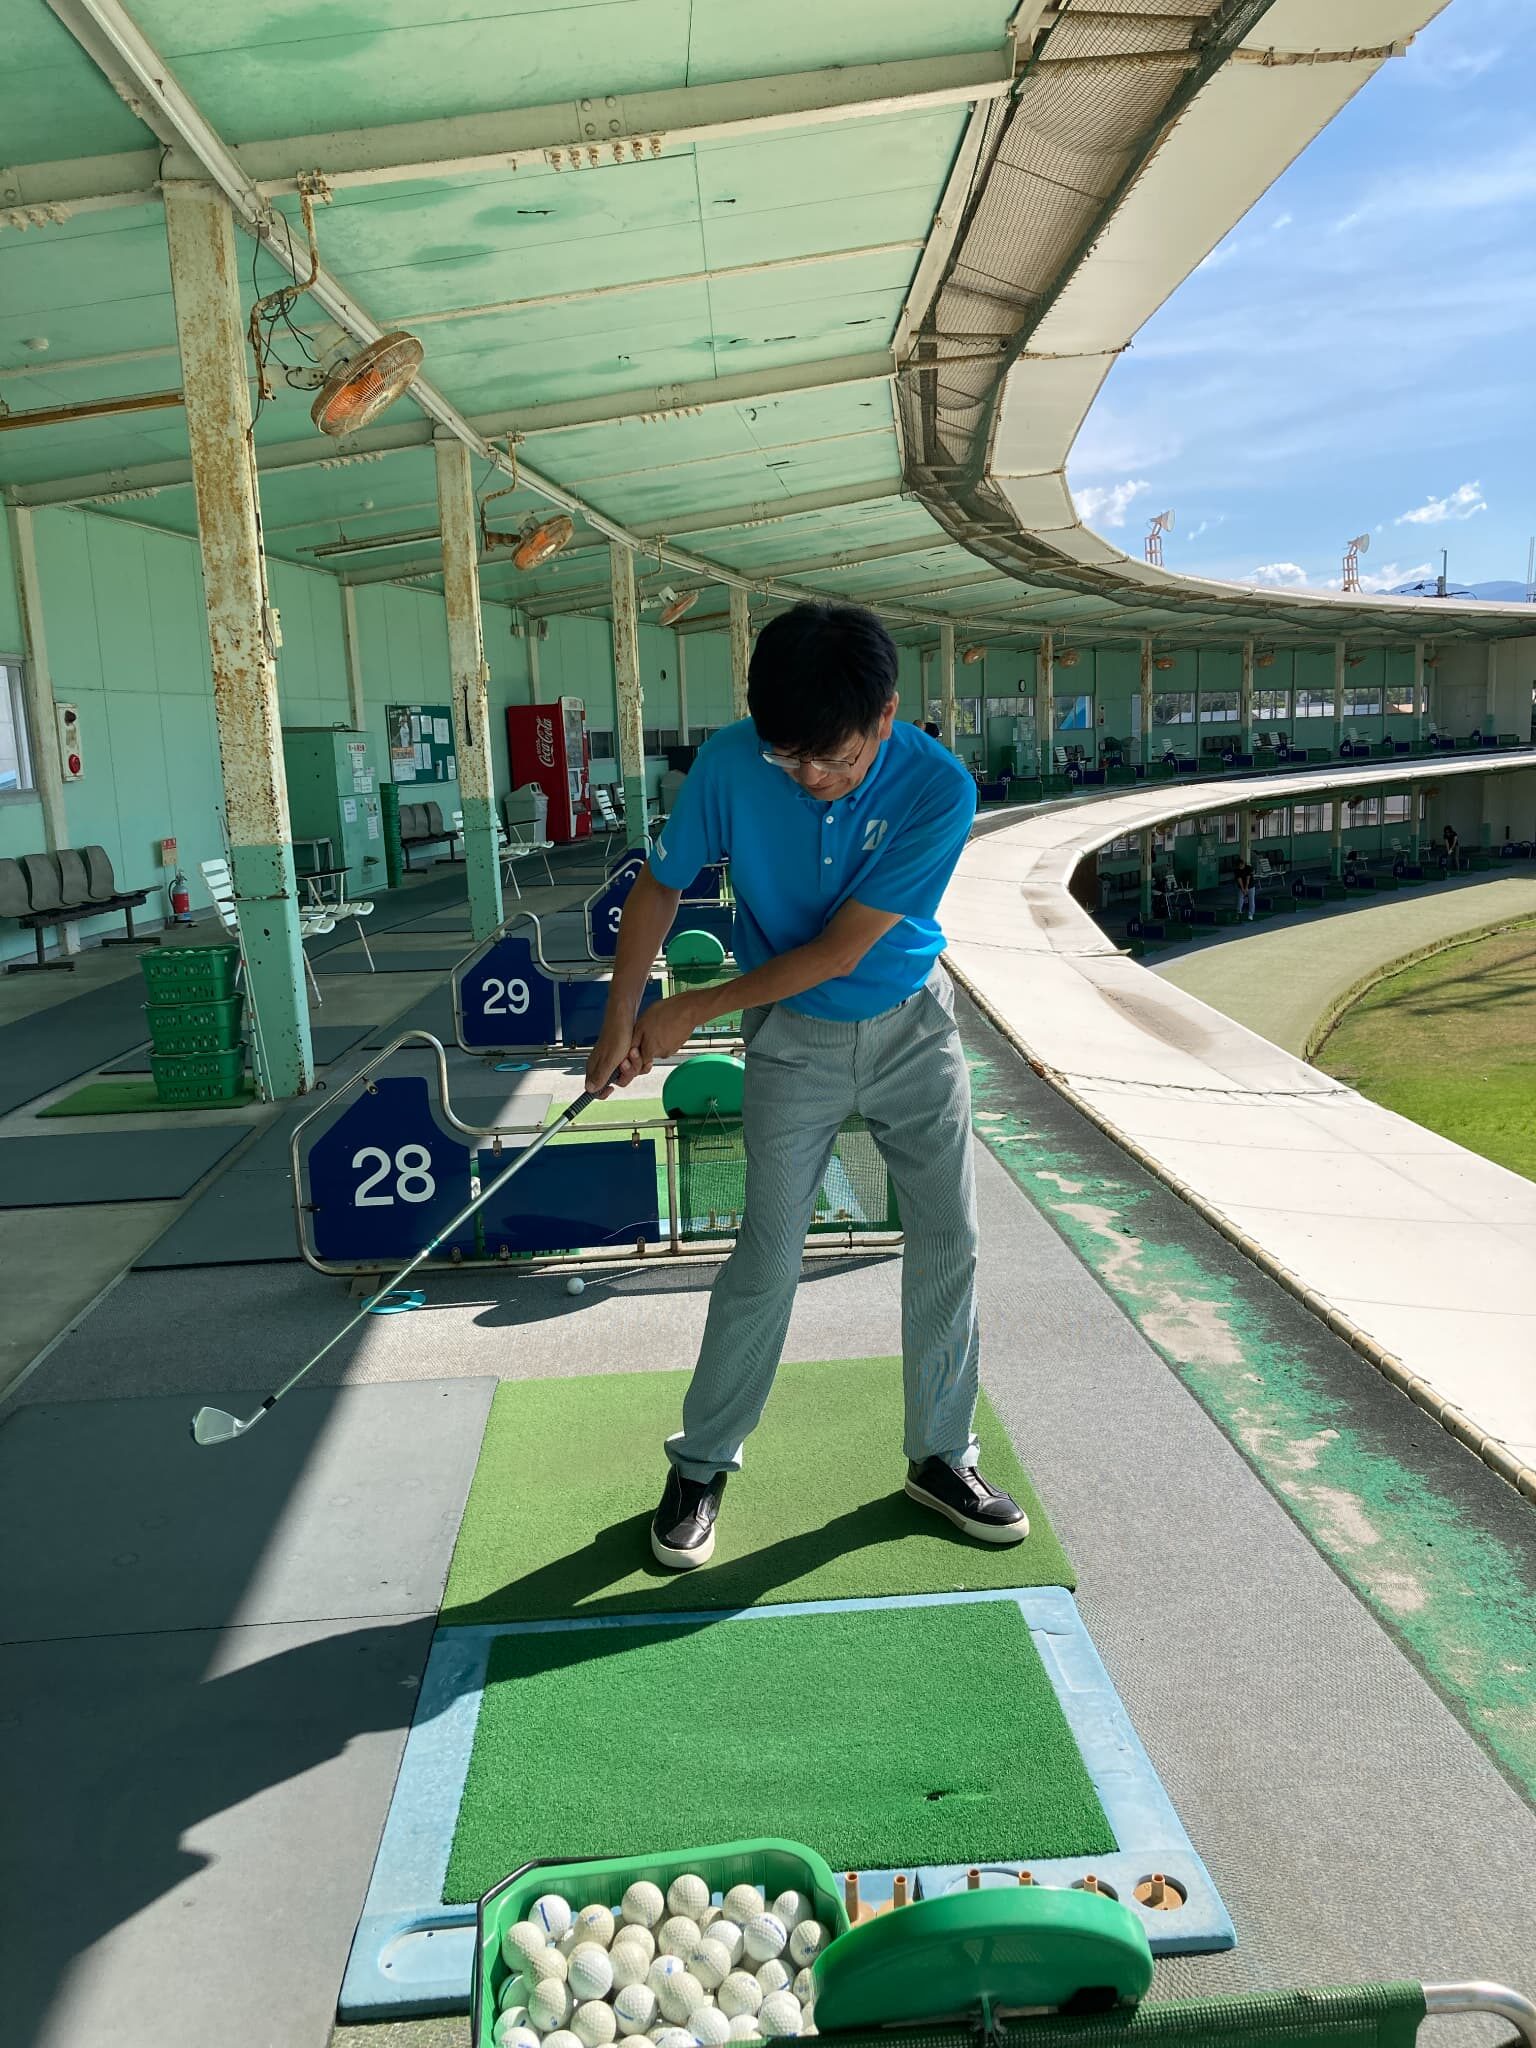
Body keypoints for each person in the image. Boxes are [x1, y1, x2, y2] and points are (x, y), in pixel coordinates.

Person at [587, 600, 1028, 1571]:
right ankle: (700, 1464)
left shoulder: (939, 787)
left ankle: (941, 1455)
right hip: (793, 1044)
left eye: (835, 759)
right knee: (768, 1252)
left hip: (912, 1024)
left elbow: (838, 952)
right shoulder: (732, 762)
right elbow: (661, 883)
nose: (813, 779)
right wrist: (623, 1014)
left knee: (949, 1235)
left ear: (887, 715)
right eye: (791, 760)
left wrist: (692, 1006)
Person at [1234, 857, 1257, 921]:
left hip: (1251, 886)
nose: (1240, 867)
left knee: (1251, 900)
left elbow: (1248, 879)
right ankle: (1239, 913)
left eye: (1241, 866)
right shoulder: (1237, 870)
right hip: (1241, 887)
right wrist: (1243, 889)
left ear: (1243, 864)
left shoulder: (1248, 868)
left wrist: (1246, 888)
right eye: (1239, 866)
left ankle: (1251, 914)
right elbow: (1239, 880)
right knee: (1240, 900)